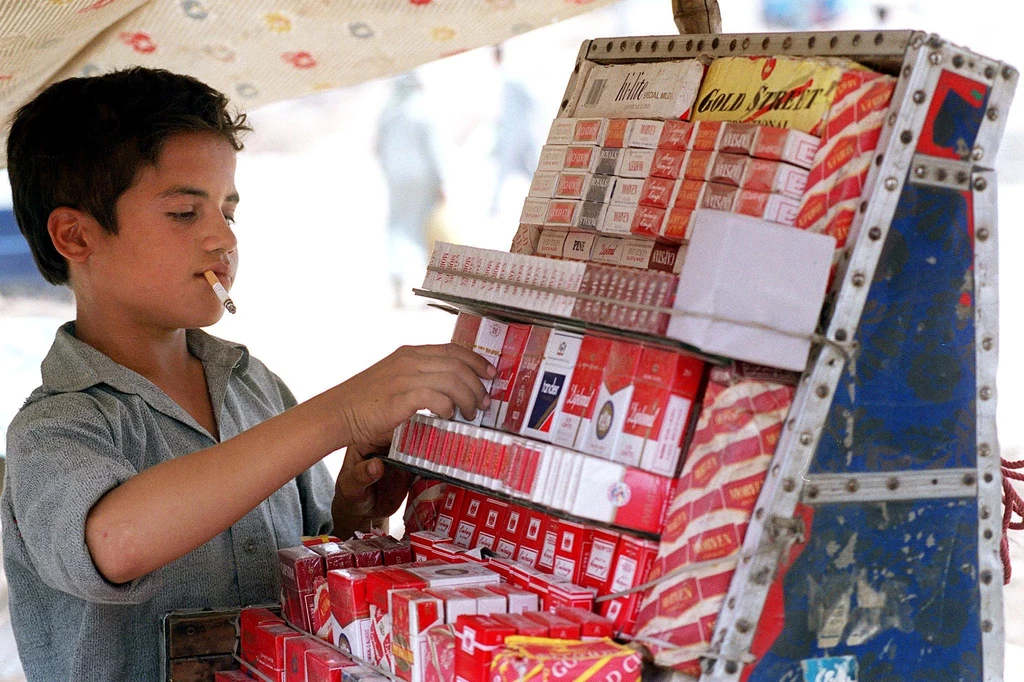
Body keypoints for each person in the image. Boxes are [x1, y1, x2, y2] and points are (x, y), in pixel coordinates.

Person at [0, 67, 492, 681]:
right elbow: (114, 544)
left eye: (229, 210)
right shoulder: (55, 428)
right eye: (184, 212)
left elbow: (306, 573)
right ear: (75, 235)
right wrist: (339, 412)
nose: (222, 237)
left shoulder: (251, 386)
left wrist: (351, 516)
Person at [375, 72, 445, 308]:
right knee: (421, 229)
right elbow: (434, 151)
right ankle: (425, 287)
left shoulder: (389, 112)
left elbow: (378, 149)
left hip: (396, 179)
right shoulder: (422, 110)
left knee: (397, 227)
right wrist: (441, 181)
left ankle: (398, 279)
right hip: (423, 179)